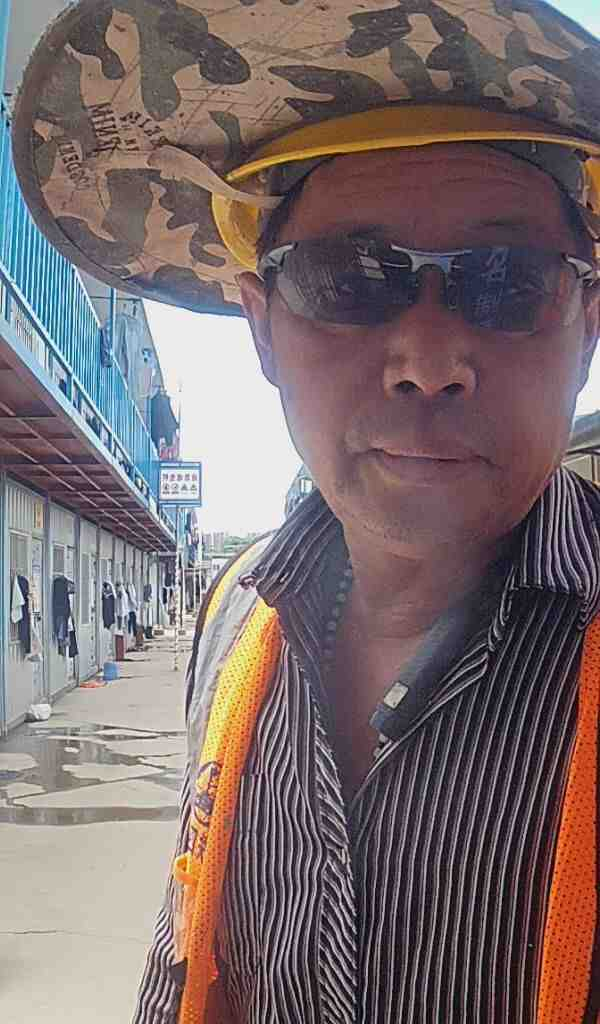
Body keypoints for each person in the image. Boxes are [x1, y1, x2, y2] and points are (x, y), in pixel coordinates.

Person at [12, 2, 600, 1021]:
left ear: (587, 325)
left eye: (507, 283)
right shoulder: (234, 617)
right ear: (262, 332)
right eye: (348, 279)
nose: (429, 361)